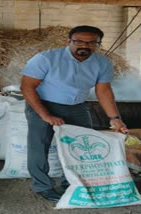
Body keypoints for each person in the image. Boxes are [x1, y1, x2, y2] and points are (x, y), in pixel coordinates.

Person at [20, 25, 128, 202]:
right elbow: (27, 87)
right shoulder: (46, 58)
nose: (84, 46)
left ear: (98, 44)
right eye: (79, 41)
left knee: (80, 148)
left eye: (92, 42)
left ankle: (70, 184)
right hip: (43, 104)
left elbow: (104, 91)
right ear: (68, 41)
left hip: (77, 107)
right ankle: (43, 187)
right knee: (39, 147)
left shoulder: (102, 62)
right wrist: (45, 115)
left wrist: (115, 119)